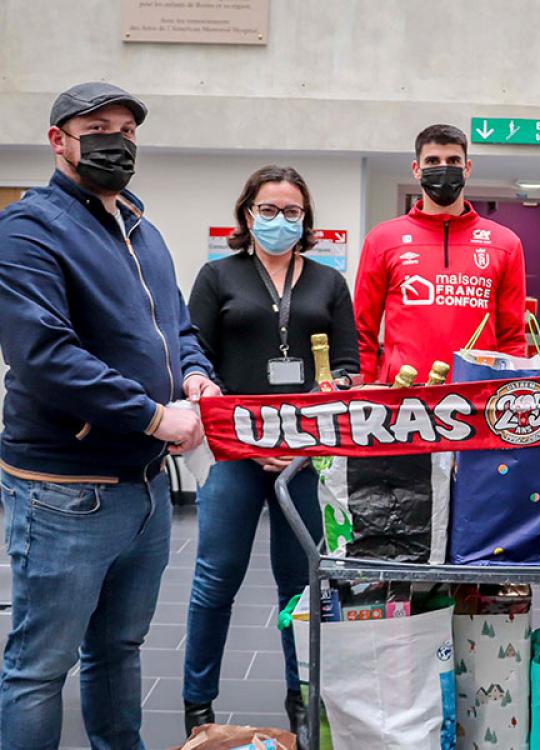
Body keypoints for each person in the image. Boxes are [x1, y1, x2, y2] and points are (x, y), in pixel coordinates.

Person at [0, 82, 217, 750]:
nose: (114, 140)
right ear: (58, 139)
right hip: (65, 491)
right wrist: (154, 417)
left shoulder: (141, 230)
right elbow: (44, 354)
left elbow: (173, 324)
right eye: (96, 127)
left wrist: (195, 373)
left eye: (125, 130)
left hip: (144, 490)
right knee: (40, 668)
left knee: (119, 647)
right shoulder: (28, 229)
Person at [182, 166, 359, 736]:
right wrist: (197, 382)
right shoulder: (218, 276)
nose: (280, 221)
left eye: (292, 212)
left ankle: (301, 693)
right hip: (236, 449)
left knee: (301, 581)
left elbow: (350, 366)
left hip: (303, 453)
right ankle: (198, 701)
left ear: (306, 220)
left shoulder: (328, 283)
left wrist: (306, 432)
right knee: (216, 577)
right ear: (247, 213)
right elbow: (194, 353)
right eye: (269, 209)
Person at [354, 123, 526, 383]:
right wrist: (362, 391)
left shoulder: (505, 244)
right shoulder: (382, 240)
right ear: (416, 169)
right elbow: (362, 331)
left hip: (476, 396)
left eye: (453, 160)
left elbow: (512, 337)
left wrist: (509, 392)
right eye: (433, 160)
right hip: (403, 396)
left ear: (467, 169)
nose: (443, 167)